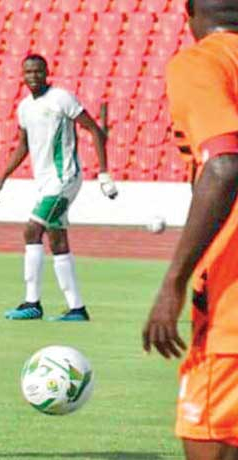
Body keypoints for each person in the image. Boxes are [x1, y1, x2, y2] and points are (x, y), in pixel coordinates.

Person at [143, 1, 238, 458]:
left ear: (189, 10)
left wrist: (173, 283)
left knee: (209, 444)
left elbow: (222, 165)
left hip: (231, 312)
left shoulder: (201, 62)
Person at [0, 54, 118, 322]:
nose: (33, 76)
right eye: (28, 72)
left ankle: (31, 303)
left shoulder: (62, 99)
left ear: (47, 72)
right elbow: (23, 146)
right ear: (22, 75)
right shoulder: (24, 108)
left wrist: (104, 172)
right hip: (46, 181)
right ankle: (77, 308)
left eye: (38, 71)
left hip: (65, 177)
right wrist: (2, 178)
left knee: (31, 230)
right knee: (57, 240)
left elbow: (95, 130)